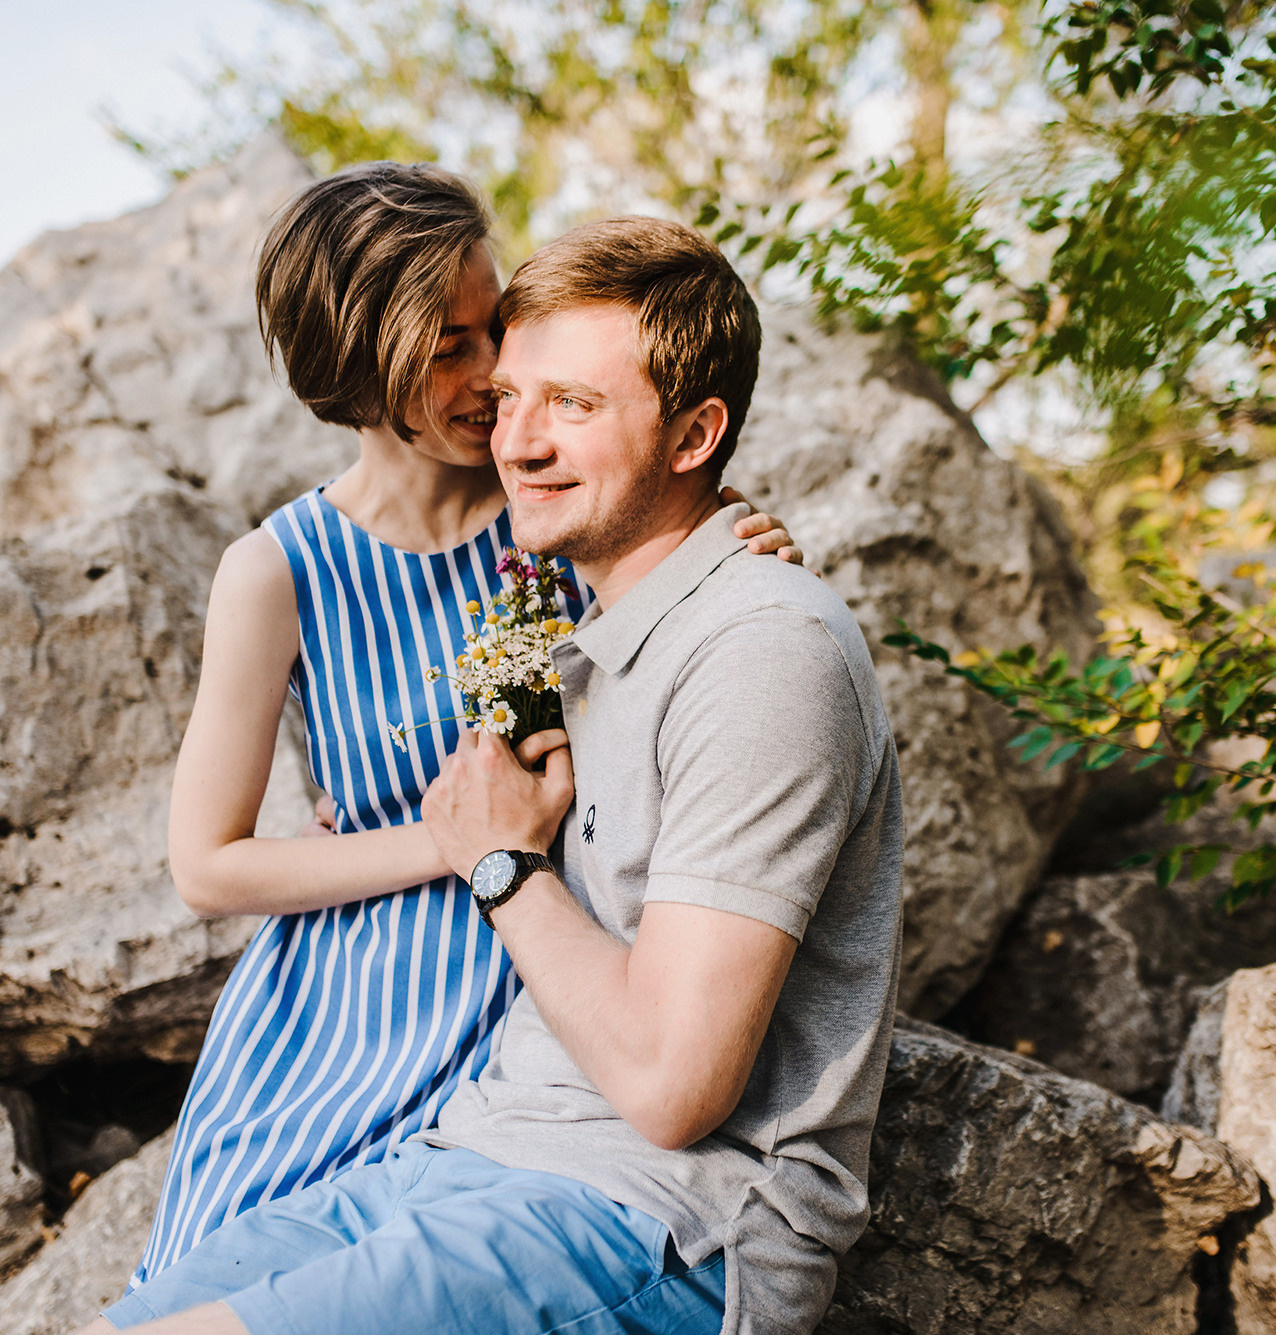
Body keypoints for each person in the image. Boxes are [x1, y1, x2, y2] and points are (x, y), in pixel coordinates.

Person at [89, 215, 904, 1335]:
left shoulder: (665, 598)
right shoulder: (304, 563)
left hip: (619, 1157)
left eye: (555, 391)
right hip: (409, 1046)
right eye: (476, 364)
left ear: (693, 436)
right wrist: (464, 838)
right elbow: (208, 862)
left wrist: (735, 546)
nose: (506, 419)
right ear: (369, 364)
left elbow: (673, 1081)